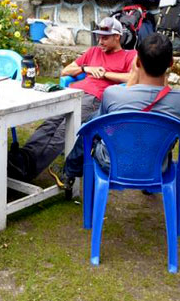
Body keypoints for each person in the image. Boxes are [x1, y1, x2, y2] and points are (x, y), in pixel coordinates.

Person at [51, 33, 180, 191]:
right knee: (159, 135)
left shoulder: (113, 95)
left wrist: (133, 76)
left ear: (138, 62)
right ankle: (148, 187)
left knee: (92, 123)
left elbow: (98, 129)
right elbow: (178, 138)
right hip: (157, 165)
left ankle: (69, 172)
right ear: (171, 63)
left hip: (112, 163)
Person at [8, 16, 135, 182]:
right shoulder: (93, 52)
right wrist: (86, 68)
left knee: (63, 131)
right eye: (98, 36)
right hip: (73, 92)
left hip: (95, 99)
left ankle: (26, 171)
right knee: (49, 125)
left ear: (117, 37)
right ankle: (21, 159)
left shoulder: (129, 55)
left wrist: (105, 74)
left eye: (105, 37)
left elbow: (133, 78)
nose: (100, 41)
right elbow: (66, 71)